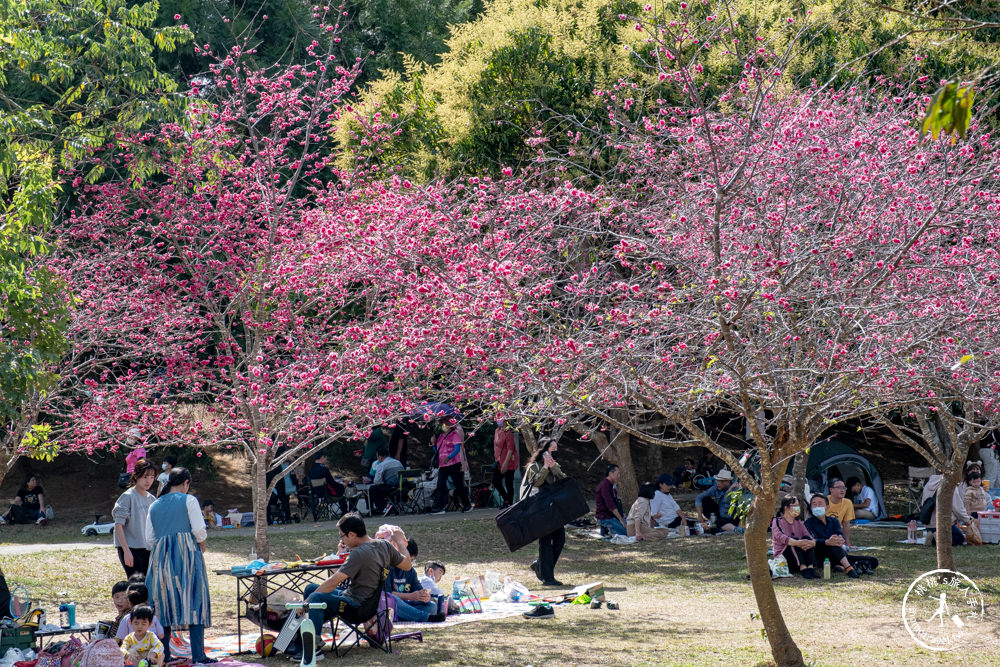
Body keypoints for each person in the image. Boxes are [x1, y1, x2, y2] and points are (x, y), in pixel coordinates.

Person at [295, 513, 436, 651]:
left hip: (356, 608)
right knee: (311, 588)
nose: (342, 540)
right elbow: (407, 564)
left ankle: (312, 647)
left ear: (351, 534)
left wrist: (306, 602)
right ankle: (303, 635)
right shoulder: (385, 546)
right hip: (368, 603)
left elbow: (333, 582)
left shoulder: (358, 553)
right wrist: (399, 541)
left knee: (314, 596)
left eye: (342, 536)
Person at [143, 467, 214, 665]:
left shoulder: (154, 505)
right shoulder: (189, 500)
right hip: (187, 554)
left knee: (163, 602)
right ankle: (198, 655)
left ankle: (164, 654)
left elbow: (149, 540)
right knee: (194, 599)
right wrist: (201, 544)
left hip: (161, 557)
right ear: (185, 483)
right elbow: (199, 529)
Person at [521, 438, 568, 587]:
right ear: (544, 450)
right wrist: (545, 468)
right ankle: (548, 578)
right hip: (540, 510)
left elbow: (564, 480)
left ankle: (540, 565)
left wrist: (553, 467)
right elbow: (536, 482)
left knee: (560, 539)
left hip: (555, 508)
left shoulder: (555, 465)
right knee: (546, 542)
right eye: (552, 449)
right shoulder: (533, 466)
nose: (555, 452)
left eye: (556, 449)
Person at [112, 458, 158, 576]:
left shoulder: (152, 499)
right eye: (145, 477)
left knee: (148, 586)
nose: (148, 481)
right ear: (136, 476)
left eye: (152, 477)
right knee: (136, 586)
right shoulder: (128, 497)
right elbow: (118, 526)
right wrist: (126, 551)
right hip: (131, 548)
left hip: (148, 549)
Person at [804, 494, 860, 579]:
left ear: (827, 507)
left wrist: (840, 539)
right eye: (814, 504)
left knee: (874, 561)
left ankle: (839, 566)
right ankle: (849, 568)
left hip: (837, 553)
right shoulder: (808, 523)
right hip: (820, 554)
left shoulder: (834, 521)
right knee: (833, 546)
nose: (817, 507)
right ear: (811, 508)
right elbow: (813, 540)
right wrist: (827, 542)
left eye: (820, 504)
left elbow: (840, 534)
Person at [771, 495, 819, 579]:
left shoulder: (800, 523)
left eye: (798, 506)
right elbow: (781, 537)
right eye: (795, 506)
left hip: (800, 554)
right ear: (786, 508)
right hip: (784, 559)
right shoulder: (777, 521)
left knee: (806, 539)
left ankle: (810, 567)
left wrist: (811, 542)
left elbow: (811, 536)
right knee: (794, 540)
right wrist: (798, 543)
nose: (797, 508)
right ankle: (803, 568)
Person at [431, 418, 471, 514]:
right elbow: (438, 451)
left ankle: (467, 505)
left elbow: (457, 449)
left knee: (458, 485)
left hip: (454, 464)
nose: (443, 425)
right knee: (440, 485)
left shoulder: (455, 435)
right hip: (443, 465)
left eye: (445, 423)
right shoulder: (440, 436)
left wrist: (449, 457)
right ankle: (438, 507)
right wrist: (433, 444)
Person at [694, 469, 741, 533]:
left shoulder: (735, 487)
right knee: (705, 500)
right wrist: (699, 515)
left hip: (733, 515)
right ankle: (720, 524)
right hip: (721, 514)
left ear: (728, 482)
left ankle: (736, 528)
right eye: (717, 481)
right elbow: (699, 497)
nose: (718, 483)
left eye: (722, 481)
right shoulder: (715, 487)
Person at [369, 447, 405, 514]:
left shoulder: (381, 465)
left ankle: (383, 508)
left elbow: (377, 481)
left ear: (380, 457)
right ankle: (393, 506)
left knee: (373, 489)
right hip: (402, 486)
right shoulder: (398, 462)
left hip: (390, 487)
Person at [492, 420, 519, 508]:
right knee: (496, 481)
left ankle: (509, 503)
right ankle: (506, 499)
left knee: (508, 483)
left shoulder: (508, 433)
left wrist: (505, 463)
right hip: (499, 461)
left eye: (500, 419)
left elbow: (510, 449)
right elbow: (496, 446)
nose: (498, 421)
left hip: (509, 461)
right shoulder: (496, 431)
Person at [595, 464, 627, 536]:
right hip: (605, 517)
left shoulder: (611, 485)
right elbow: (611, 506)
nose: (619, 476)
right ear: (611, 473)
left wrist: (621, 515)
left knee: (631, 525)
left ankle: (610, 529)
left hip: (612, 516)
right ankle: (609, 530)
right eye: (617, 474)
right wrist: (621, 520)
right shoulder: (604, 486)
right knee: (627, 531)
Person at [826, 478, 856, 545]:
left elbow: (846, 524)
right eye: (839, 487)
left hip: (836, 534)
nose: (842, 490)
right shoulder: (824, 500)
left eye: (844, 488)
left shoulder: (848, 502)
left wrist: (846, 541)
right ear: (831, 490)